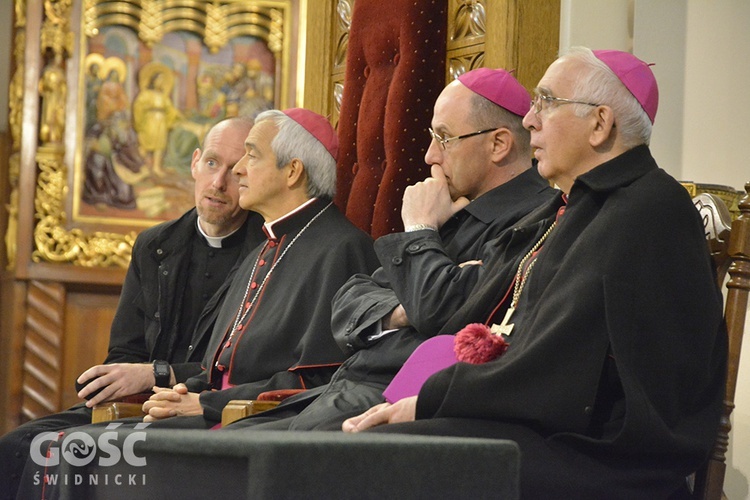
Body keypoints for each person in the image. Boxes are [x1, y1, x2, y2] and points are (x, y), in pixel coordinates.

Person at [342, 47, 727, 498]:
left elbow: (558, 361)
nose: (529, 120)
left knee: (375, 458)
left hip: (604, 453)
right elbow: (460, 316)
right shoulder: (561, 208)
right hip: (544, 425)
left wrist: (429, 401)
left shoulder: (647, 210)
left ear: (600, 124)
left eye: (546, 102)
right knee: (360, 446)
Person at [224, 68, 557, 431]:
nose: (430, 156)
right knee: (225, 445)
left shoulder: (534, 220)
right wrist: (401, 310)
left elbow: (439, 310)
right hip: (351, 386)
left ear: (498, 144)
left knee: (242, 461)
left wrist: (419, 229)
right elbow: (349, 299)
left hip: (404, 397)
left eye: (444, 138)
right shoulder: (453, 205)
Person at [0, 117, 265, 498]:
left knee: (70, 455)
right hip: (142, 406)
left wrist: (154, 374)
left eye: (235, 171)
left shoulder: (264, 253)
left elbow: (240, 367)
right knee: (17, 445)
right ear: (194, 163)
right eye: (211, 163)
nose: (218, 183)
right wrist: (113, 380)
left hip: (204, 408)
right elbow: (126, 353)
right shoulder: (154, 245)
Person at [136, 108, 380, 428]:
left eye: (251, 155)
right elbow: (218, 370)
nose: (238, 170)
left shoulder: (343, 250)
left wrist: (207, 402)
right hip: (218, 416)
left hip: (267, 425)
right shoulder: (261, 252)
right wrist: (182, 393)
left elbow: (325, 379)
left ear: (292, 171)